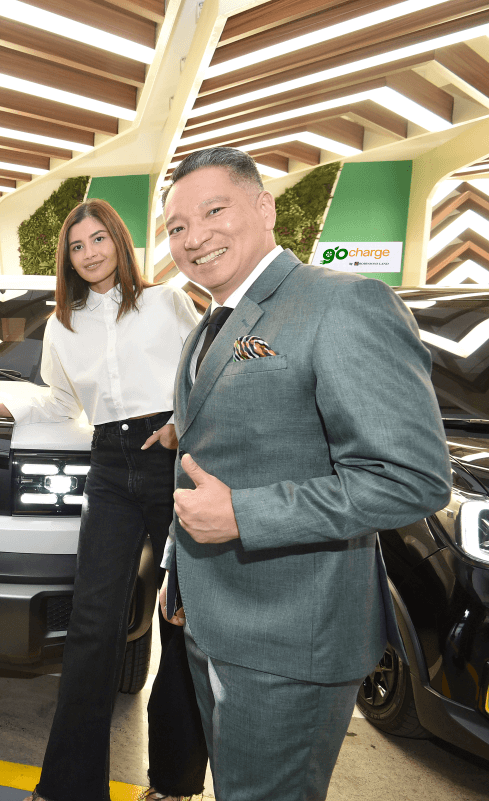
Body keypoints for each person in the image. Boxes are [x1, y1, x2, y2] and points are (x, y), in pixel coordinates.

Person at [159, 146, 451, 801]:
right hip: (214, 621)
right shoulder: (207, 326)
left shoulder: (343, 304)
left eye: (213, 210)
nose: (193, 235)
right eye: (177, 227)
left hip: (291, 639)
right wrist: (178, 573)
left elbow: (412, 476)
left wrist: (244, 514)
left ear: (264, 208)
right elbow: (213, 457)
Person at [0, 199, 208, 801]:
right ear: (66, 256)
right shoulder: (63, 324)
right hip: (110, 466)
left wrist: (180, 423)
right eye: (76, 246)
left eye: (98, 240)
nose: (89, 253)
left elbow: (208, 376)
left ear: (119, 239)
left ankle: (175, 783)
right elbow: (60, 404)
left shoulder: (168, 303)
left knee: (181, 620)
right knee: (93, 625)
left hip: (173, 462)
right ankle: (68, 788)